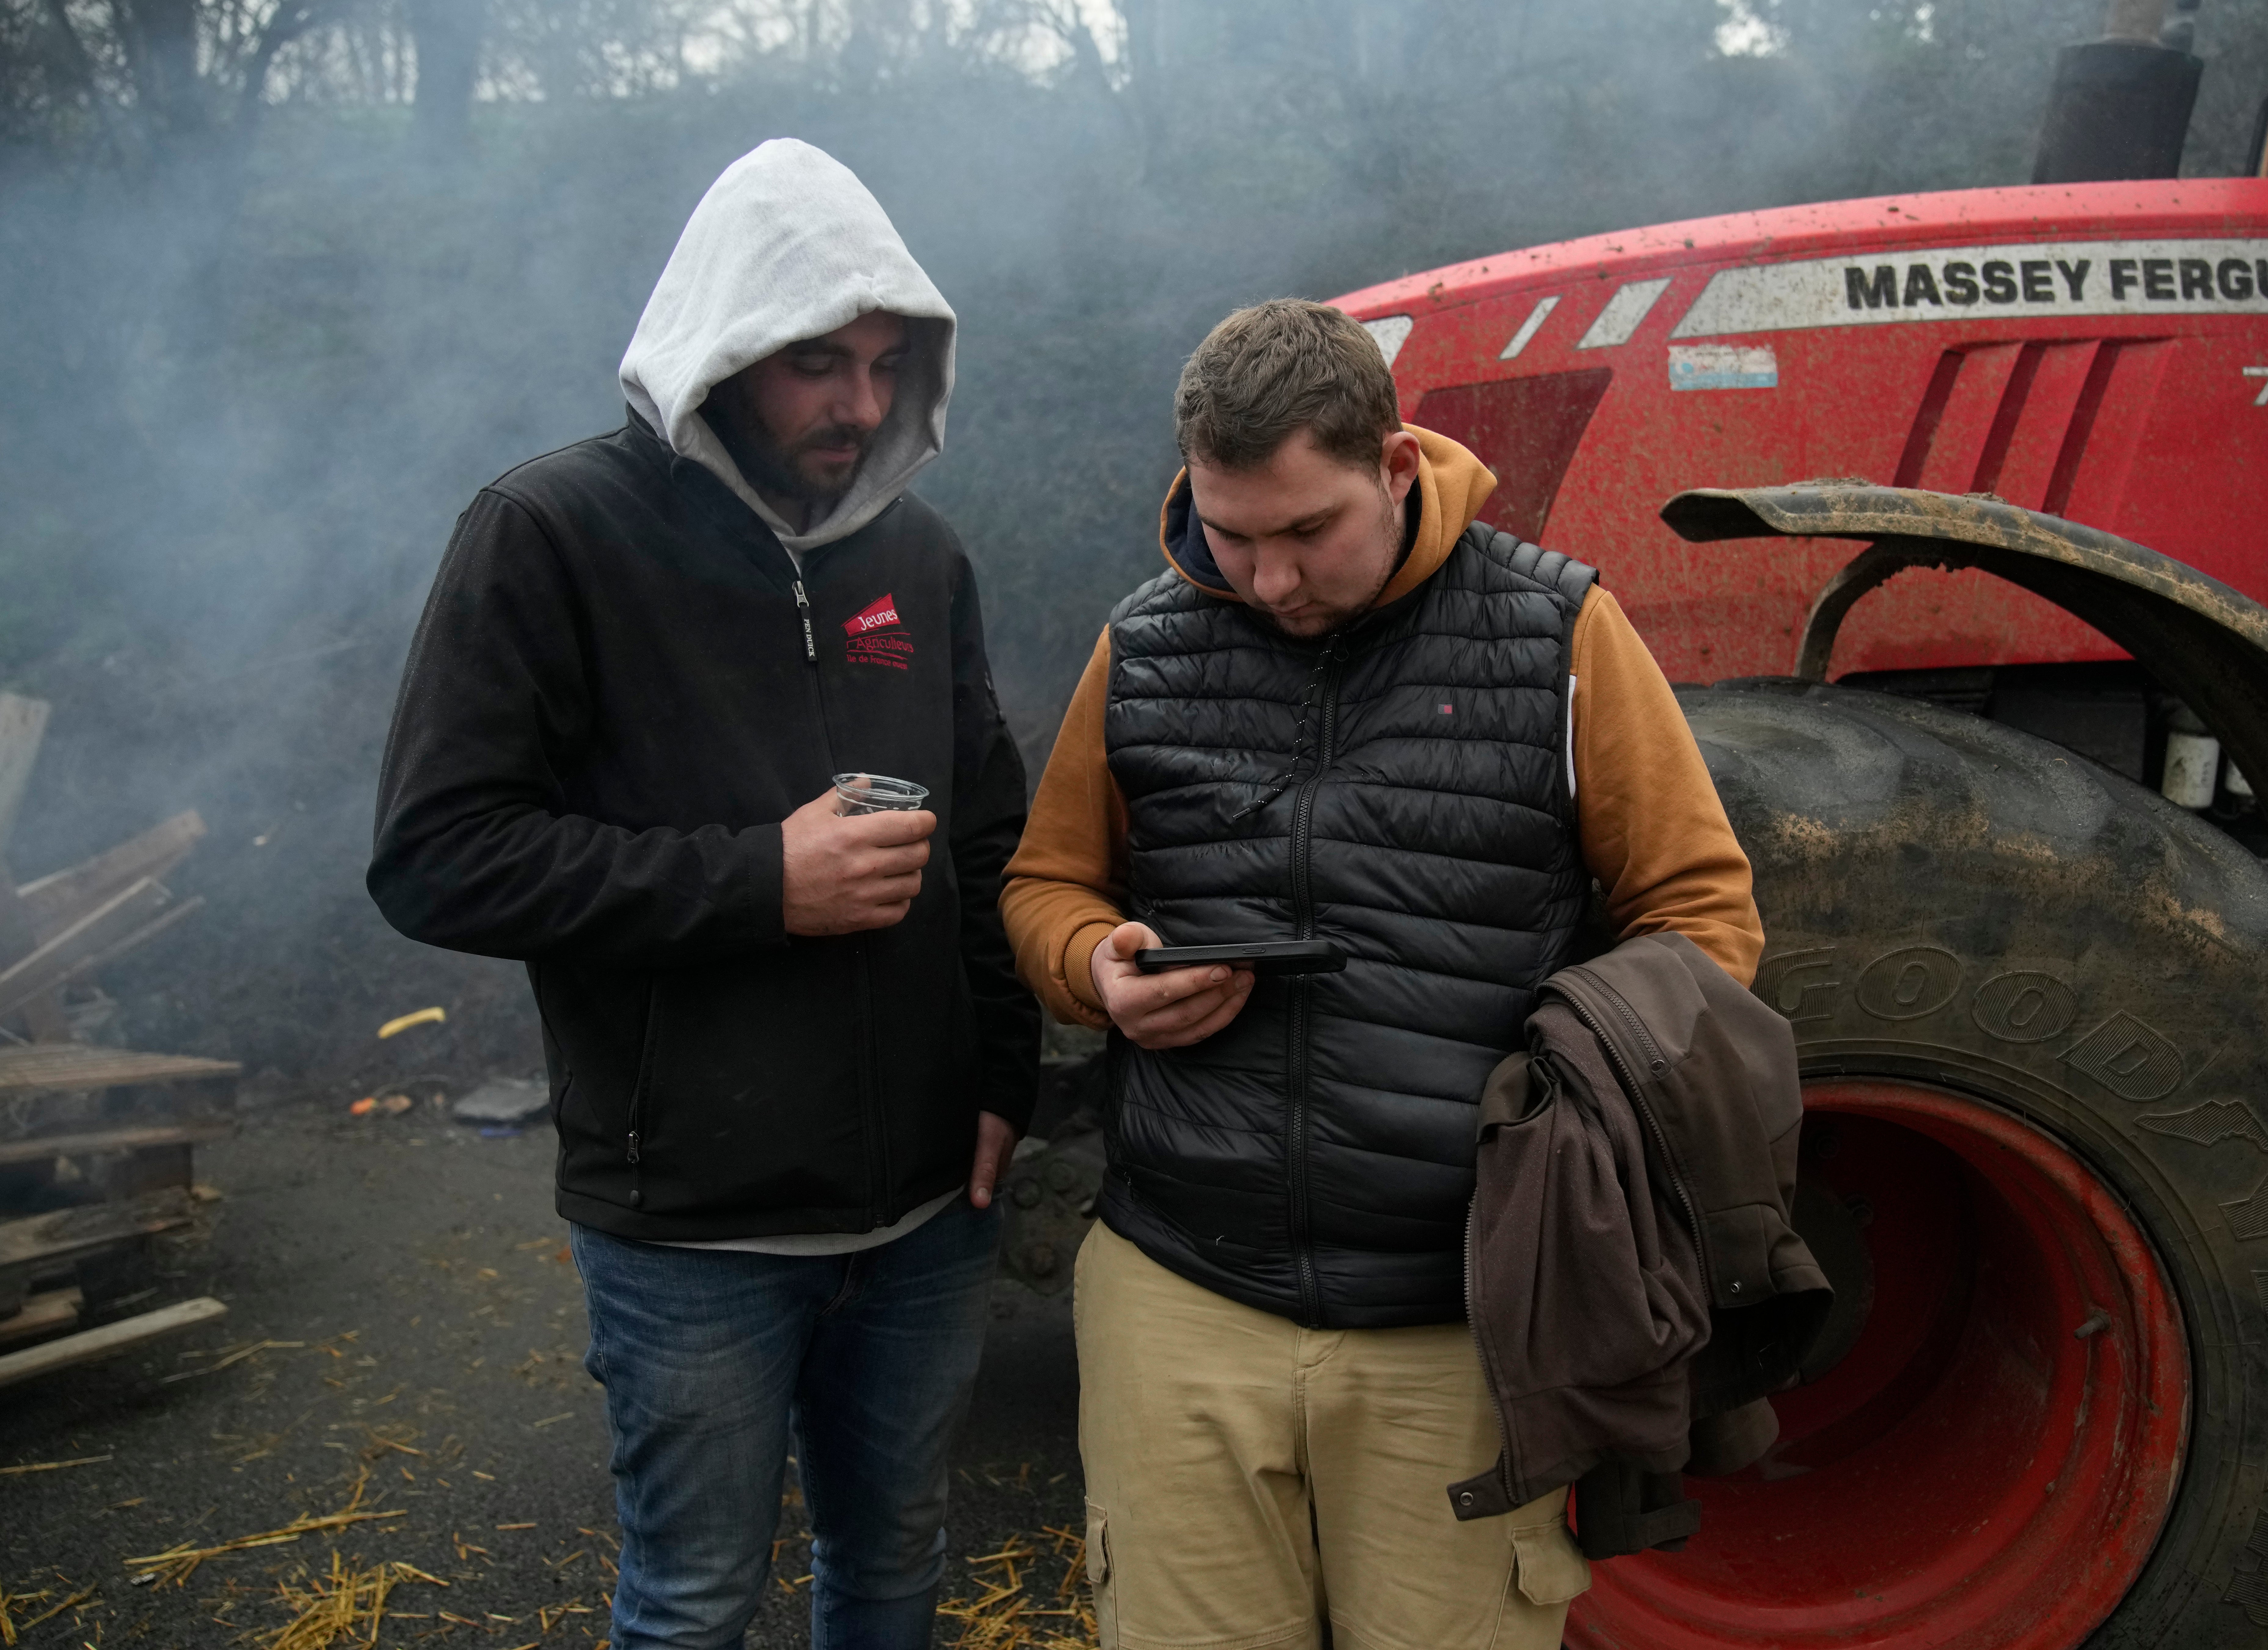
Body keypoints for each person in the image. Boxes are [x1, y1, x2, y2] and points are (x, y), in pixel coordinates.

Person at [1002, 298, 1767, 1649]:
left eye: (1309, 532)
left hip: (1460, 1321)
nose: (1270, 580)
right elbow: (1047, 886)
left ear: (1398, 467)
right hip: (1180, 1296)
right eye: (1232, 535)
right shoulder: (1146, 645)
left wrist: (1571, 1105)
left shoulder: (1560, 636)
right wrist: (1095, 970)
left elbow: (1701, 920)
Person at [369, 138, 1039, 1650]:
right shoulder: (551, 536)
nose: (858, 405)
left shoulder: (919, 558)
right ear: (724, 347)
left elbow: (990, 839)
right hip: (693, 1230)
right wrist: (758, 882)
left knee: (894, 1571)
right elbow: (436, 853)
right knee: (690, 1603)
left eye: (885, 364)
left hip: (930, 1214)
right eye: (815, 362)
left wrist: (1006, 1074)